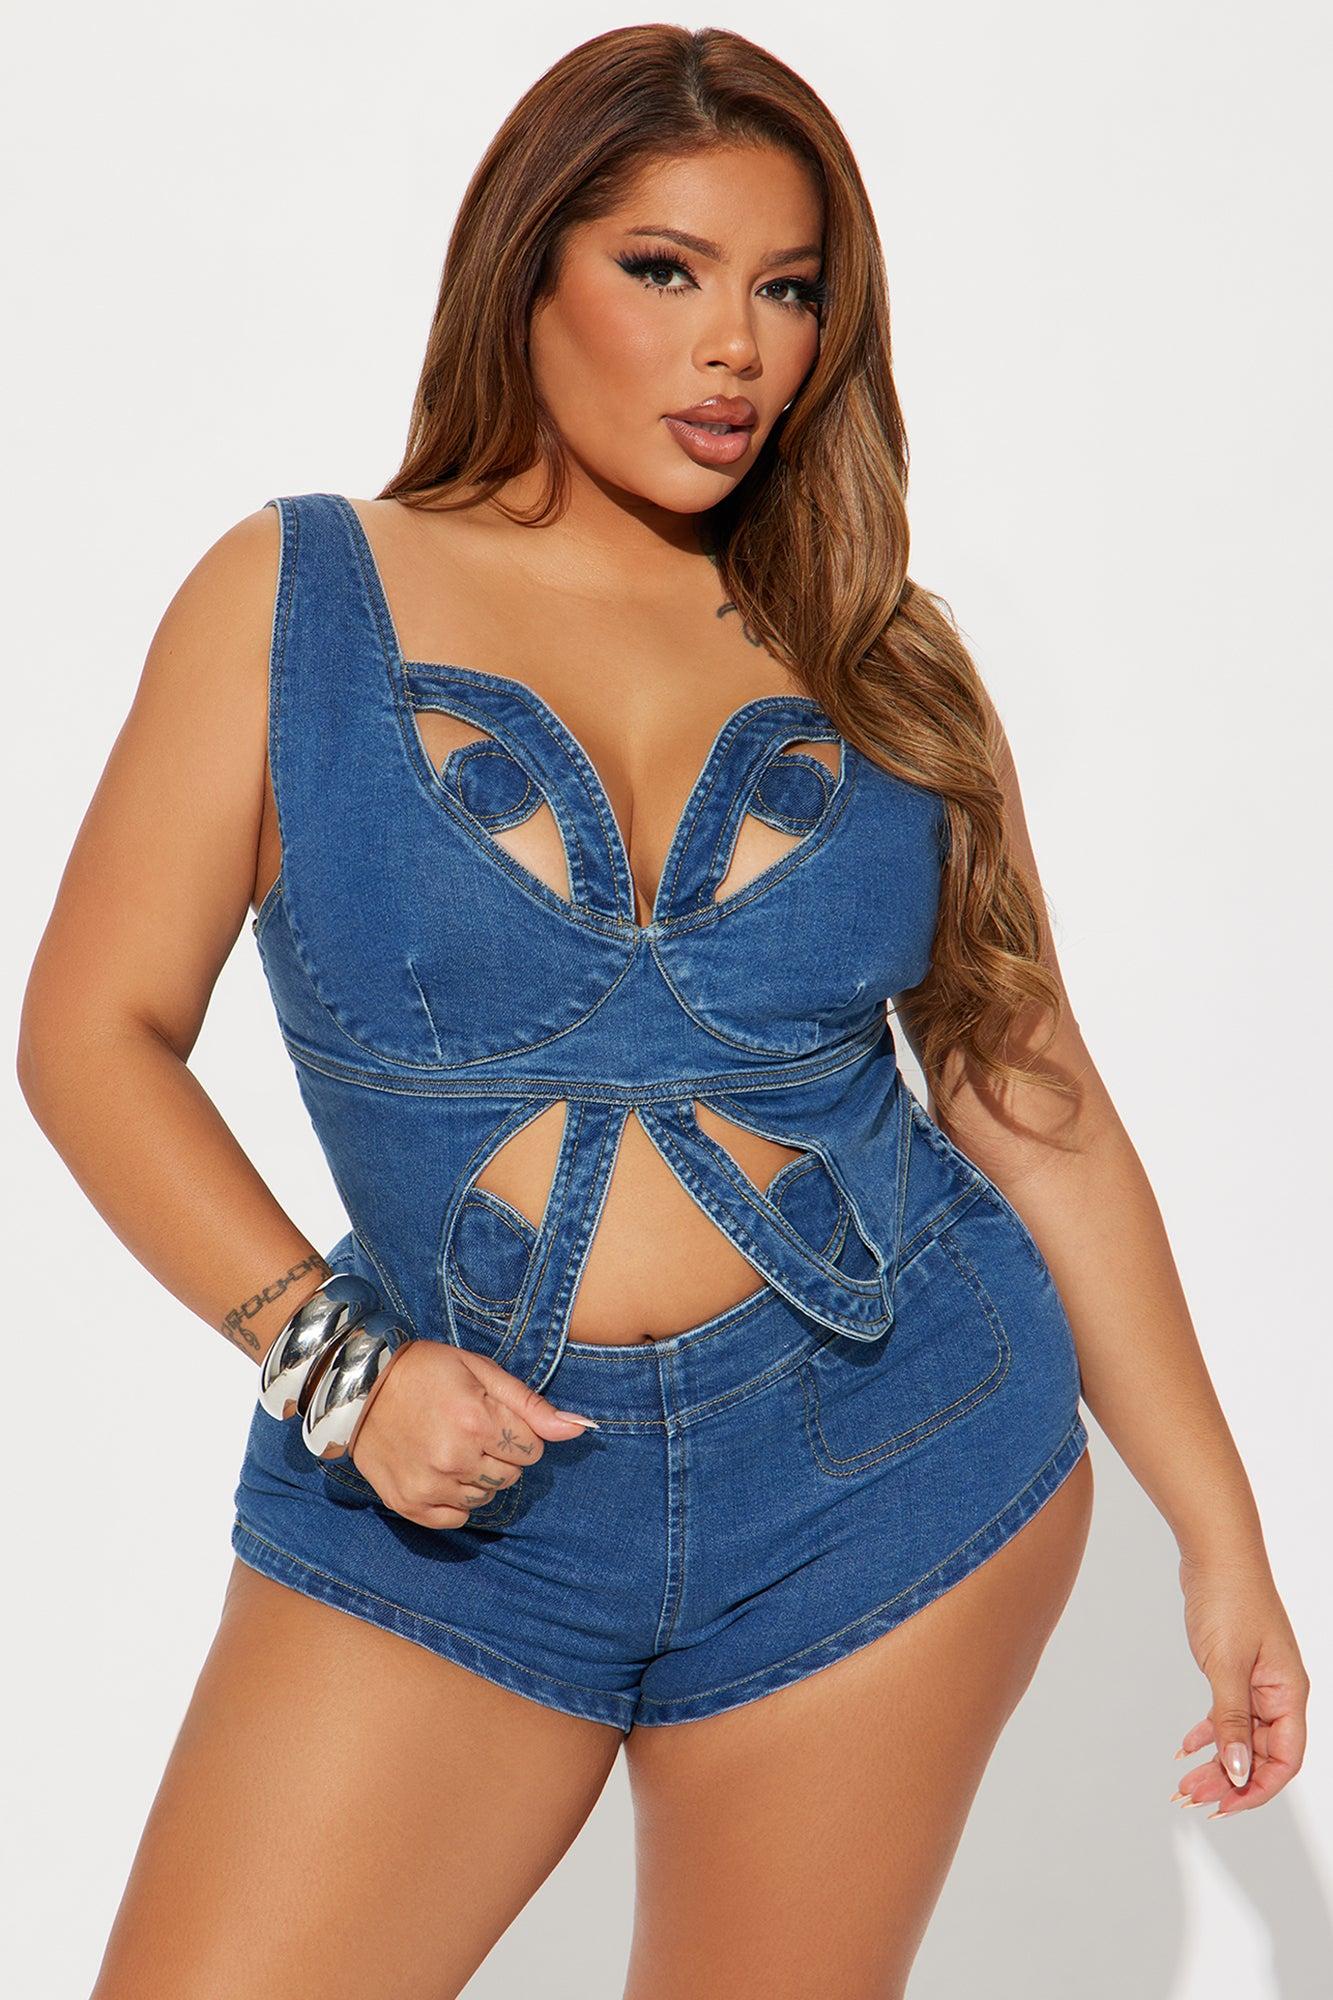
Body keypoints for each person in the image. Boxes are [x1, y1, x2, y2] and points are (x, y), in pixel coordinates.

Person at [17, 23, 1307, 2000]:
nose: (736, 350)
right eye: (664, 268)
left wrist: (1220, 1536)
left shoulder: (884, 657)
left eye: (787, 291)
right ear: (524, 269)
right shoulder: (297, 596)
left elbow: (1024, 1092)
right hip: (448, 1502)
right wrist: (341, 1376)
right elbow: (90, 1031)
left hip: (883, 1464)